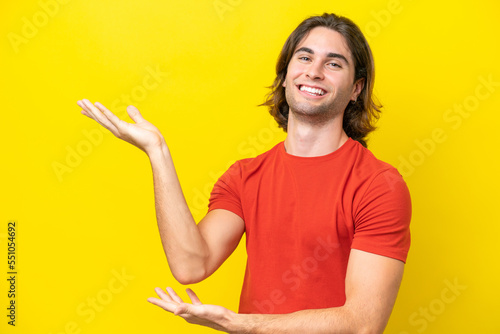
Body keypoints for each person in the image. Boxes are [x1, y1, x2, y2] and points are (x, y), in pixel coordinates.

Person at [77, 12, 411, 334]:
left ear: (356, 88)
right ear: (284, 76)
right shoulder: (244, 176)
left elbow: (362, 324)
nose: (315, 72)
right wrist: (157, 153)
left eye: (334, 63)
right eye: (305, 58)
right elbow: (192, 264)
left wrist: (243, 325)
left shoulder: (378, 185)